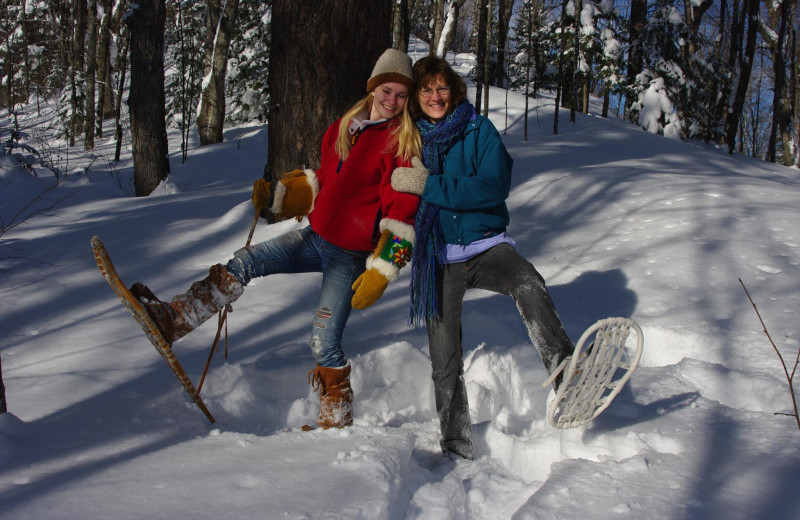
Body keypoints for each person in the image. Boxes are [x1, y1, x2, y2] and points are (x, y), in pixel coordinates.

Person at [131, 49, 422, 430]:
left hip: (349, 256)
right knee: (246, 260)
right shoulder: (342, 129)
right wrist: (283, 196)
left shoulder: (404, 148)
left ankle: (336, 423)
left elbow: (402, 218)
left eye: (402, 95)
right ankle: (174, 319)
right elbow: (323, 181)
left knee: (322, 342)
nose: (392, 101)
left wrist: (383, 270)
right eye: (387, 90)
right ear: (372, 89)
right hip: (316, 237)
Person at [391, 56, 575, 460]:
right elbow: (393, 203)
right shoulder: (409, 140)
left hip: (488, 247)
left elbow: (493, 187)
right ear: (416, 98)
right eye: (426, 90)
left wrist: (431, 185)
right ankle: (456, 445)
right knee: (444, 356)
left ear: (453, 89)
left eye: (441, 88)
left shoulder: (479, 129)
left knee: (528, 282)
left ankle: (568, 381)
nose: (435, 97)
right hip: (438, 259)